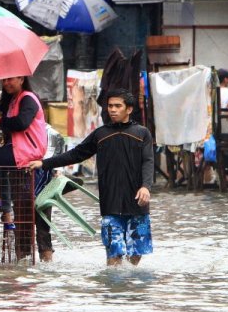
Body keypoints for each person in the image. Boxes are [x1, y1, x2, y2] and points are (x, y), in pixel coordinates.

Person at [29, 88, 154, 266]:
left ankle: (128, 289)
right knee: (113, 254)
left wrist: (146, 187)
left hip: (137, 201)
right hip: (110, 204)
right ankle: (113, 288)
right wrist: (45, 163)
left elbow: (148, 161)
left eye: (118, 106)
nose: (112, 109)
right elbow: (76, 154)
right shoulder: (101, 134)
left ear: (129, 109)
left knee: (136, 253)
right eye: (110, 106)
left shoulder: (142, 134)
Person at [0, 76, 48, 261]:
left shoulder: (28, 97)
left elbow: (21, 122)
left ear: (21, 79)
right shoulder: (11, 100)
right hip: (16, 152)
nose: (7, 84)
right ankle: (5, 207)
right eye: (4, 81)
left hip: (26, 154)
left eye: (11, 80)